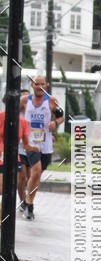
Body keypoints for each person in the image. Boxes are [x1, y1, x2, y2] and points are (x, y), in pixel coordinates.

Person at [22, 76, 64, 220]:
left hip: (46, 144)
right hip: (30, 143)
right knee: (36, 171)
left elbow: (61, 116)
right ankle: (29, 204)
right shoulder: (24, 100)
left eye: (42, 84)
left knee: (37, 175)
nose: (39, 86)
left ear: (46, 85)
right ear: (32, 85)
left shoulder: (51, 101)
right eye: (36, 83)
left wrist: (55, 123)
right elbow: (12, 113)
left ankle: (28, 198)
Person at [0, 100, 39, 216]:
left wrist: (34, 148)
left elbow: (26, 145)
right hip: (1, 157)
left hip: (14, 159)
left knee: (8, 191)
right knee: (2, 188)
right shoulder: (1, 116)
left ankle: (5, 216)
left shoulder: (23, 122)